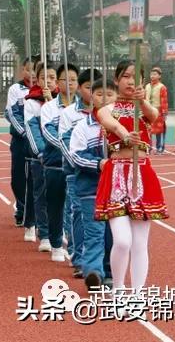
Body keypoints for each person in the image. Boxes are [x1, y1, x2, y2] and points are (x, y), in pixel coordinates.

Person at [94, 60, 169, 292]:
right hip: (116, 174)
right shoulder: (106, 109)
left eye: (136, 77)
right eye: (125, 76)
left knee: (139, 243)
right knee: (123, 240)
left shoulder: (143, 109)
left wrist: (141, 99)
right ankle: (118, 288)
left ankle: (137, 294)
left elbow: (154, 115)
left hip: (142, 174)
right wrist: (127, 136)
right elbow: (113, 125)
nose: (130, 81)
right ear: (116, 80)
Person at [68, 78, 116, 290]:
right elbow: (76, 156)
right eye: (99, 94)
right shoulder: (83, 127)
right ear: (91, 98)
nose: (104, 98)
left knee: (113, 234)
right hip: (91, 189)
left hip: (116, 191)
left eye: (109, 94)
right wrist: (99, 163)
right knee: (95, 233)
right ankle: (94, 272)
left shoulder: (122, 126)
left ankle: (110, 270)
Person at [59, 68, 101, 278]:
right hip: (78, 173)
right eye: (89, 88)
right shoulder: (69, 114)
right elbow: (66, 144)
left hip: (105, 176)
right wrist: (81, 164)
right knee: (78, 213)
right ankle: (78, 256)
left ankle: (98, 264)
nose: (95, 94)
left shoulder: (110, 115)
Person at [38, 62, 78, 263]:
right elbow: (48, 134)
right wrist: (70, 147)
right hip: (55, 164)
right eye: (65, 80)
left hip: (76, 167)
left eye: (73, 80)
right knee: (55, 205)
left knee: (74, 208)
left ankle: (74, 248)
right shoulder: (48, 108)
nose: (70, 84)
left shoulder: (83, 108)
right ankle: (55, 243)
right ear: (57, 83)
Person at [24, 61, 55, 251]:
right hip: (41, 157)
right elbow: (32, 129)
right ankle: (44, 234)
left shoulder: (65, 102)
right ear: (37, 79)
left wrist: (51, 101)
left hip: (61, 158)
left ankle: (58, 232)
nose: (48, 82)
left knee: (60, 197)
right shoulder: (31, 102)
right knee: (41, 195)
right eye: (44, 78)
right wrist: (42, 153)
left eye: (52, 78)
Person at [5, 58, 35, 233]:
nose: (31, 74)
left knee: (35, 176)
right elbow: (10, 113)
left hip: (39, 141)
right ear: (22, 70)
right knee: (18, 176)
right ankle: (22, 209)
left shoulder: (46, 91)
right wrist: (25, 133)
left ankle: (33, 212)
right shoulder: (16, 89)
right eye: (28, 69)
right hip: (21, 139)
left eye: (35, 70)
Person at [144, 67, 168, 154]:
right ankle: (148, 147)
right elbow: (144, 98)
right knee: (147, 129)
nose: (152, 76)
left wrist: (164, 112)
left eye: (155, 74)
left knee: (159, 130)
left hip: (158, 111)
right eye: (151, 74)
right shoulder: (147, 86)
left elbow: (164, 100)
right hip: (148, 110)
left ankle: (159, 148)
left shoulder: (162, 87)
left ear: (159, 76)